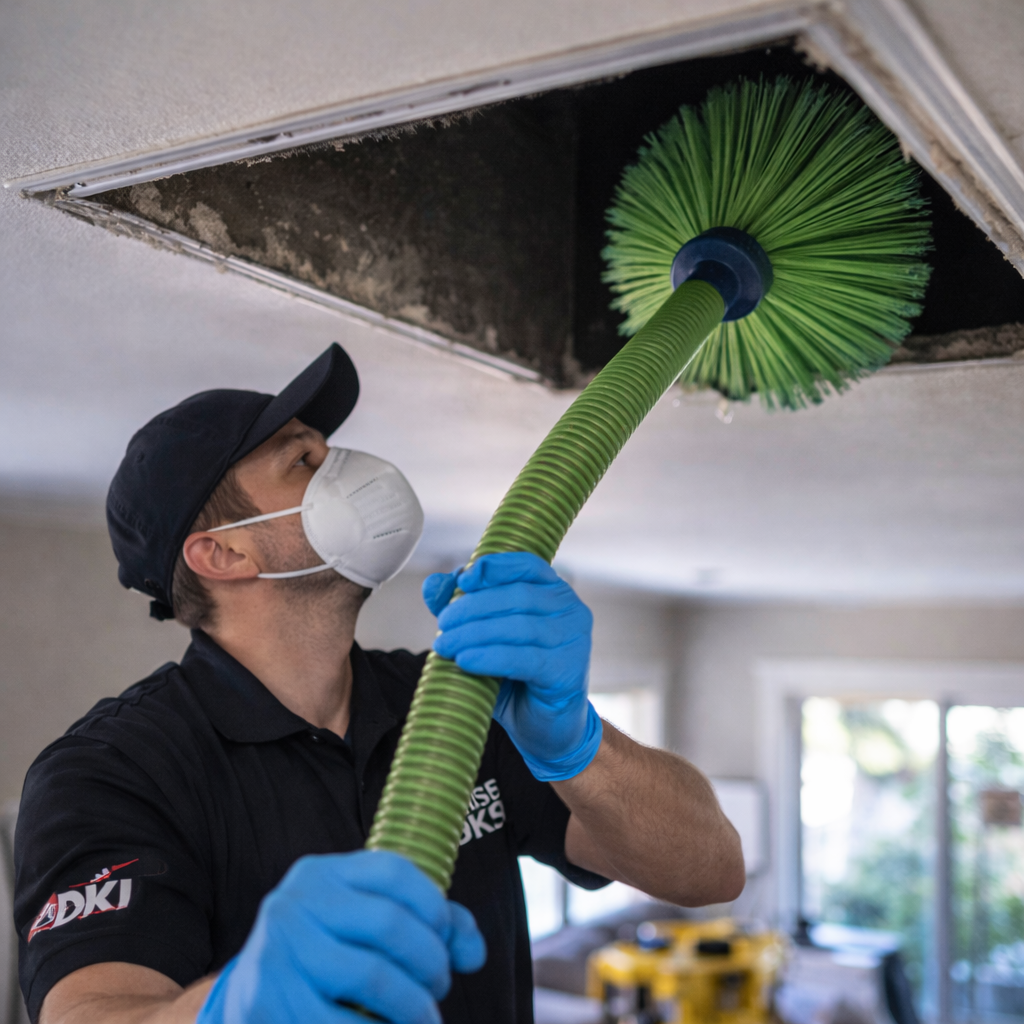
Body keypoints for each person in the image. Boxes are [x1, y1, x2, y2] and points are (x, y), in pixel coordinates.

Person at [14, 344, 744, 1024]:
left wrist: (578, 745)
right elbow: (91, 1007)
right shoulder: (113, 771)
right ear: (222, 554)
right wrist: (236, 1006)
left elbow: (711, 869)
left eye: (327, 447)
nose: (339, 462)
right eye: (300, 459)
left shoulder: (451, 697)